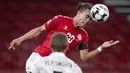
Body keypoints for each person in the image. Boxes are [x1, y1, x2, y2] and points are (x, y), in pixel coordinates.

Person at [8, 2, 120, 72]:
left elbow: (84, 57)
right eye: (86, 17)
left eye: (90, 19)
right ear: (79, 12)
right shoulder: (60, 19)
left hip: (56, 65)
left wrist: (101, 48)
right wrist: (20, 39)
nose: (87, 21)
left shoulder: (83, 35)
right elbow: (39, 30)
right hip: (39, 58)